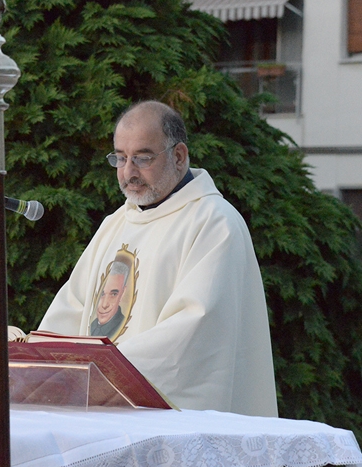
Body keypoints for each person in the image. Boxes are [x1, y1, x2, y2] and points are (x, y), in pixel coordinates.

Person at [39, 100, 278, 416]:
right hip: (98, 410)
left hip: (170, 420)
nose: (128, 172)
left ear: (179, 156)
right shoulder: (116, 223)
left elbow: (195, 329)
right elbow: (73, 308)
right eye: (120, 158)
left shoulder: (213, 222)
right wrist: (41, 364)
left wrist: (101, 375)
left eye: (142, 158)